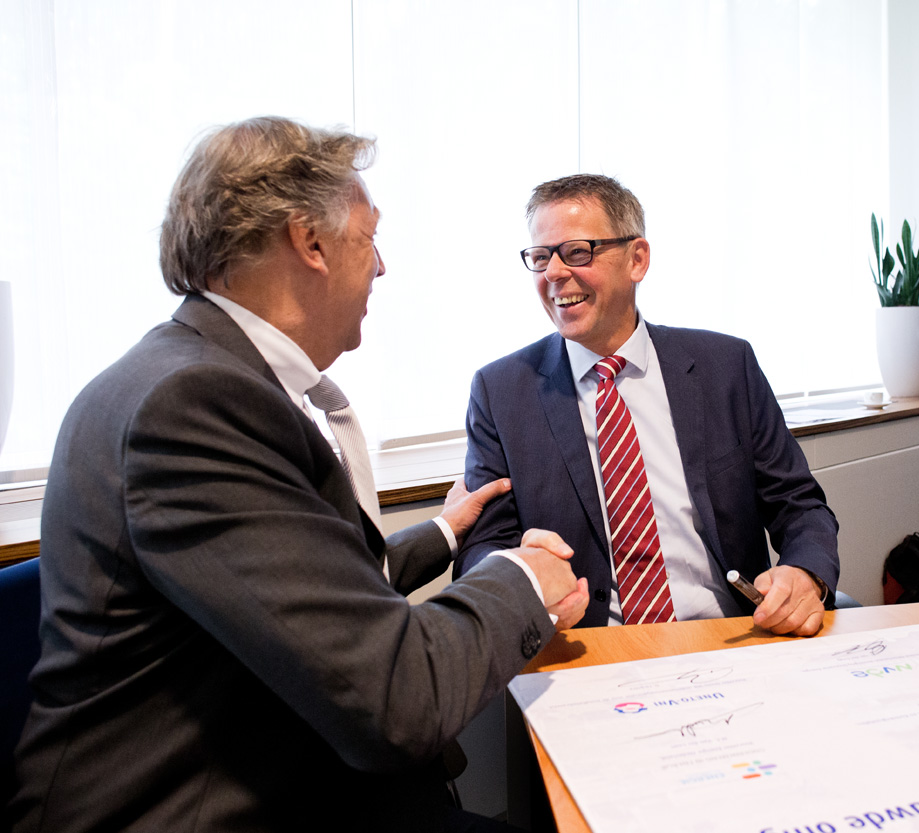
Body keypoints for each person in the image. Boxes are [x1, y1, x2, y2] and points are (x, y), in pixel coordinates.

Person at [6, 117, 587, 833]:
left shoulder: (193, 371)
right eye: (369, 239)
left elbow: (298, 577)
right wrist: (523, 577)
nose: (381, 267)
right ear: (310, 243)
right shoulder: (193, 406)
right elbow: (398, 697)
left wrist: (443, 531)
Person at [454, 174, 839, 636]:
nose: (553, 273)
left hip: (731, 637)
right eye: (540, 257)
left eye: (577, 252)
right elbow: (481, 549)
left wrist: (806, 574)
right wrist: (519, 576)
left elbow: (799, 505)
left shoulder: (725, 367)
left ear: (637, 259)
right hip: (588, 649)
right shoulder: (501, 392)